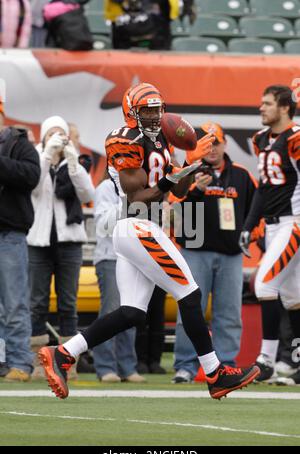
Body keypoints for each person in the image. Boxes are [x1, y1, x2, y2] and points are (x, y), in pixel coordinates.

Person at [39, 82, 260, 400]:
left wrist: (188, 162)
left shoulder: (162, 145)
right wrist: (172, 177)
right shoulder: (123, 139)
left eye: (158, 109)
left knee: (131, 312)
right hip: (138, 225)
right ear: (132, 112)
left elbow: (179, 193)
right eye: (147, 110)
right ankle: (215, 373)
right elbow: (137, 194)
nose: (156, 116)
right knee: (190, 292)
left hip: (142, 228)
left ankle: (62, 353)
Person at [172, 122, 258, 383]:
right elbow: (174, 206)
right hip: (194, 252)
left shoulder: (242, 175)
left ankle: (226, 364)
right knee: (190, 310)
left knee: (229, 313)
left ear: (225, 145)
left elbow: (257, 209)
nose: (211, 150)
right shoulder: (186, 172)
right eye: (205, 144)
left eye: (215, 143)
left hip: (231, 255)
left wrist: (250, 235)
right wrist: (195, 189)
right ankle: (185, 365)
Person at [239, 85, 300, 384]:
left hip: (295, 222)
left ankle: (266, 361)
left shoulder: (296, 138)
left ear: (285, 107)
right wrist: (249, 226)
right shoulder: (260, 139)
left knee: (263, 284)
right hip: (274, 225)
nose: (261, 108)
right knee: (292, 296)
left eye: (267, 103)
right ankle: (297, 363)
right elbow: (264, 188)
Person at [27, 115, 95, 379]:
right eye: (51, 133)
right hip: (38, 241)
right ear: (43, 136)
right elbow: (32, 186)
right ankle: (37, 362)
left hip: (69, 241)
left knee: (68, 303)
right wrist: (46, 155)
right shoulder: (35, 158)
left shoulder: (74, 161)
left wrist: (73, 160)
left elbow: (88, 195)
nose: (56, 138)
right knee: (37, 303)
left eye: (60, 133)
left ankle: (68, 362)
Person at [0, 98, 41, 381]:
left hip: (10, 233)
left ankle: (19, 362)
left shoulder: (20, 144)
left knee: (15, 303)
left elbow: (31, 176)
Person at [93, 176, 145, 383]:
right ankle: (105, 366)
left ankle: (127, 367)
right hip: (110, 257)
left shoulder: (143, 188)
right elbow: (102, 225)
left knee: (131, 312)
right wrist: (127, 202)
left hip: (134, 258)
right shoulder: (106, 187)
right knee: (111, 311)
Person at [135, 285, 167, 374]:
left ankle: (154, 360)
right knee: (140, 314)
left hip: (159, 276)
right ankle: (140, 359)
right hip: (141, 275)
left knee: (157, 314)